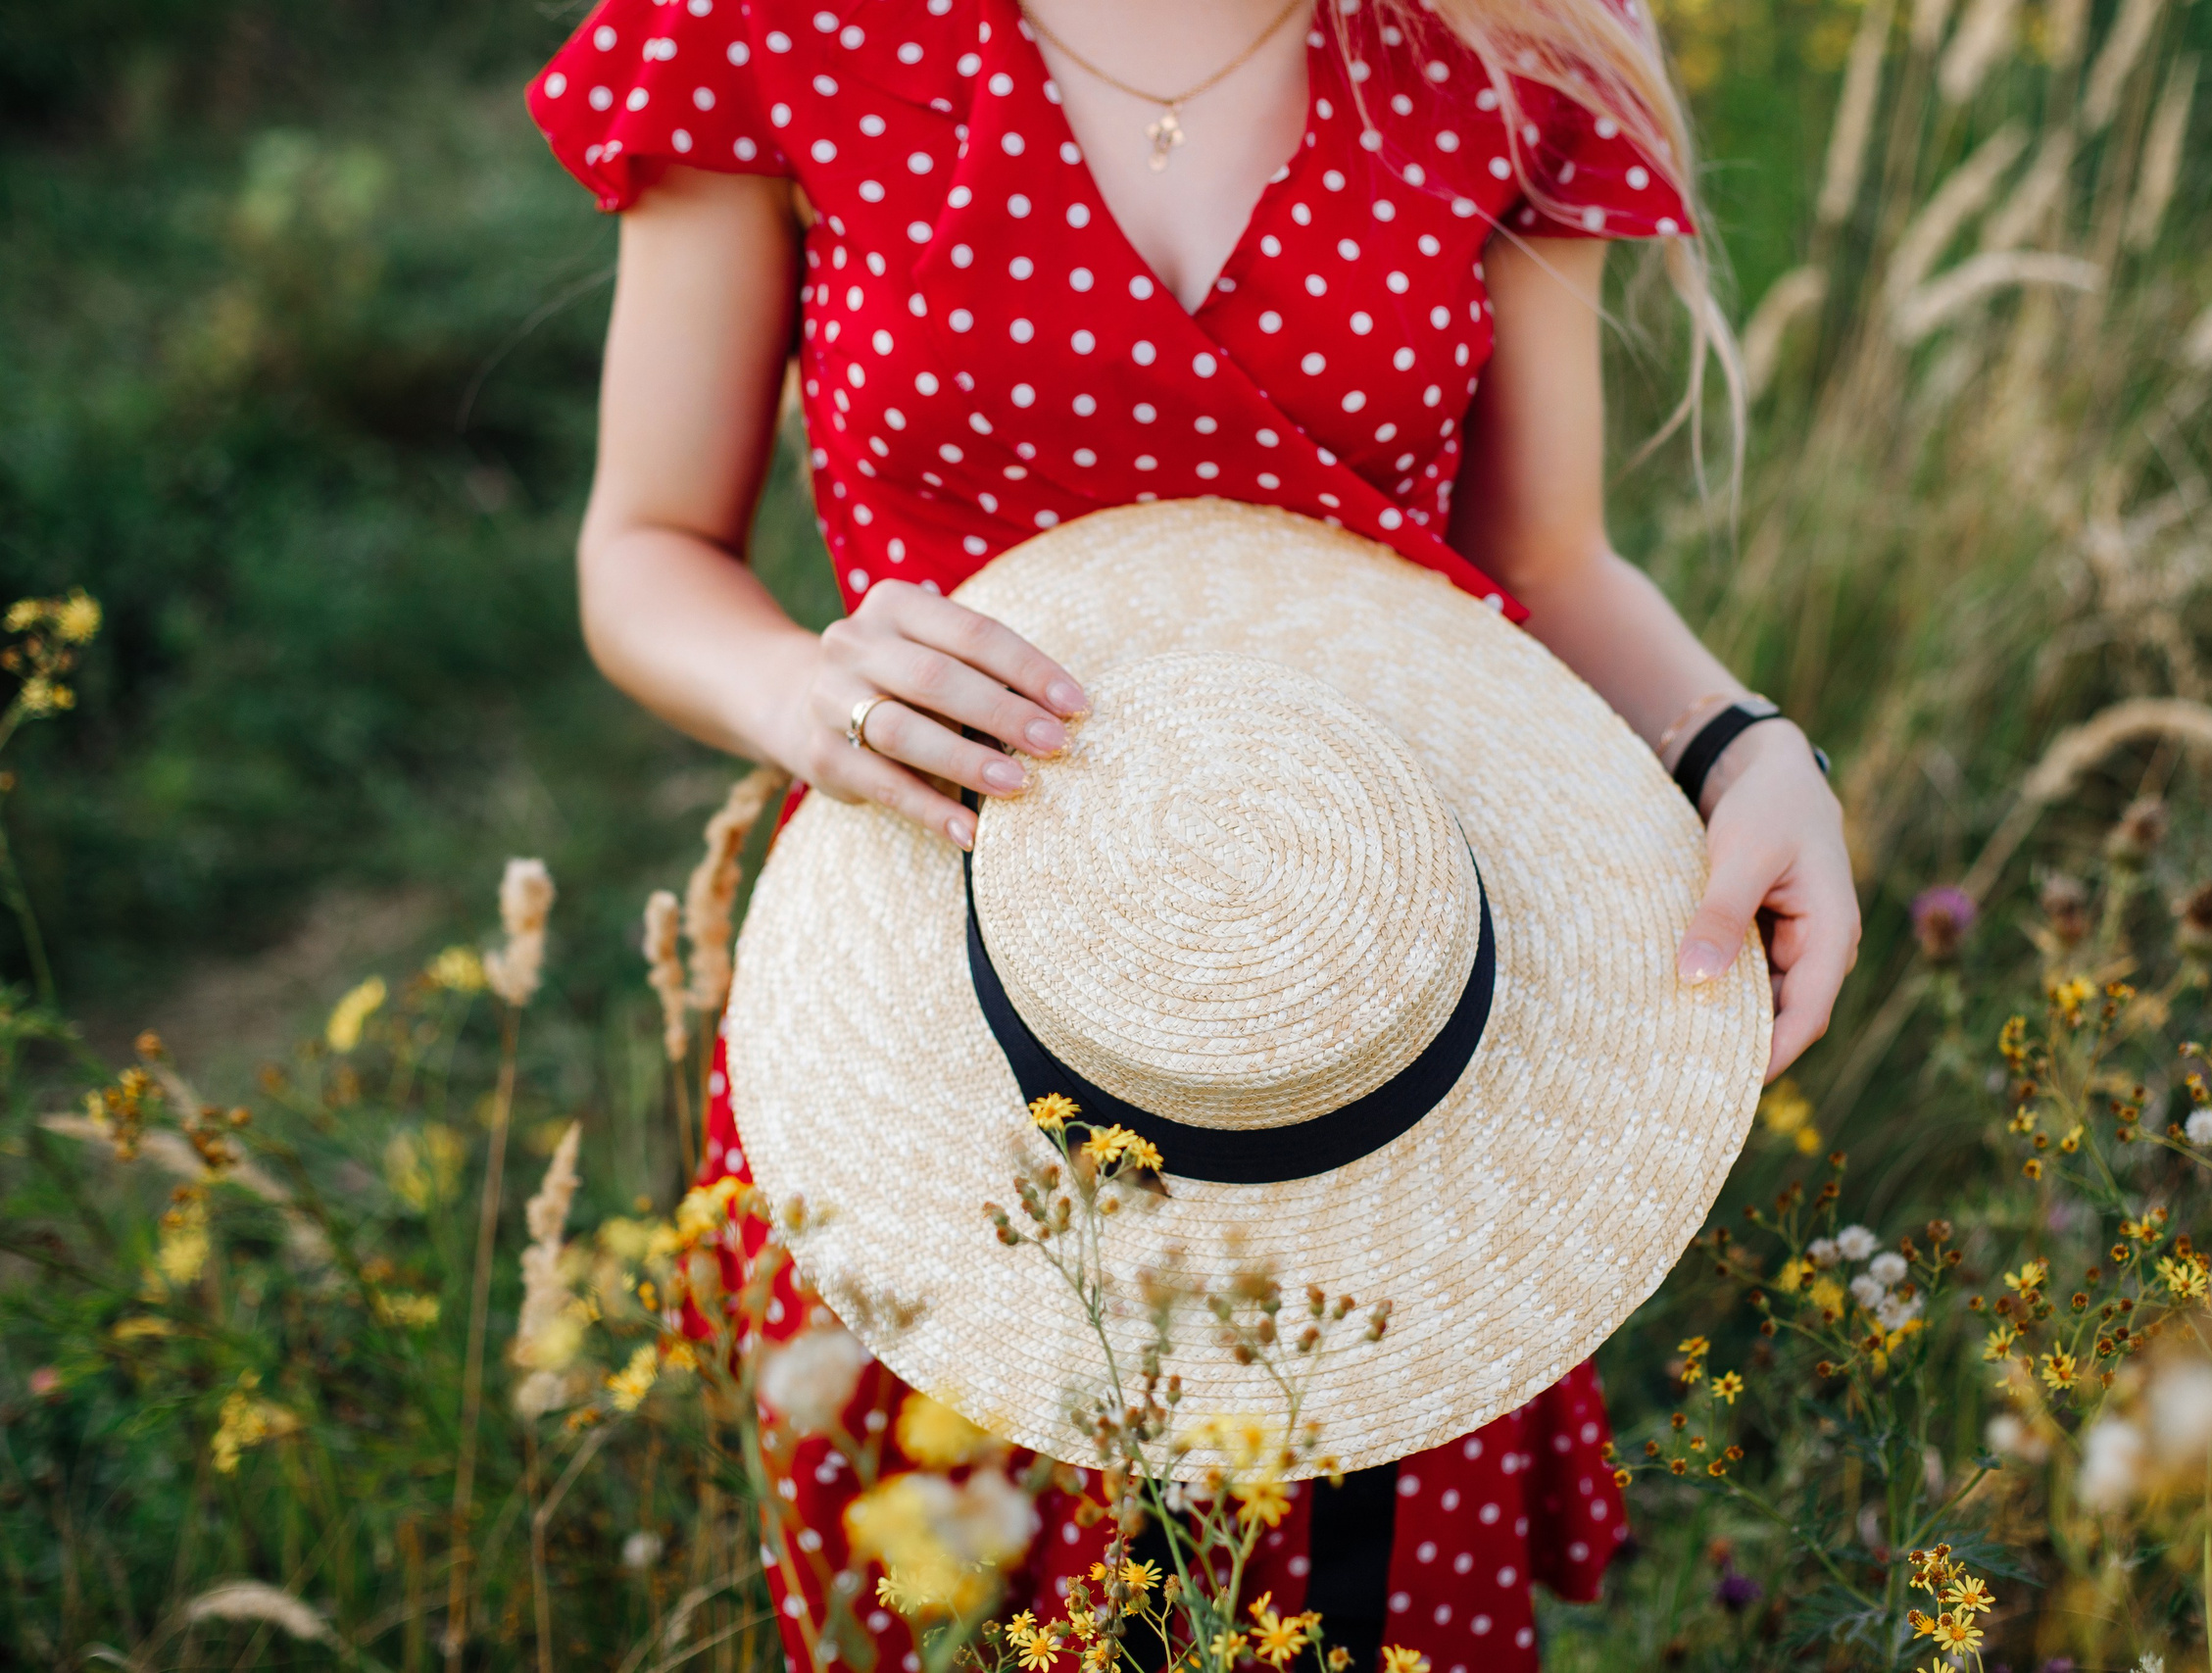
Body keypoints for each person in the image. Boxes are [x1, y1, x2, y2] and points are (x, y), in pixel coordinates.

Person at [526, 0, 1857, 1665]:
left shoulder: (1509, 39)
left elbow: (1547, 557)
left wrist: (1744, 748)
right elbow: (644, 545)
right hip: (941, 1039)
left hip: (1371, 1068)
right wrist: (804, 692)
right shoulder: (774, 24)